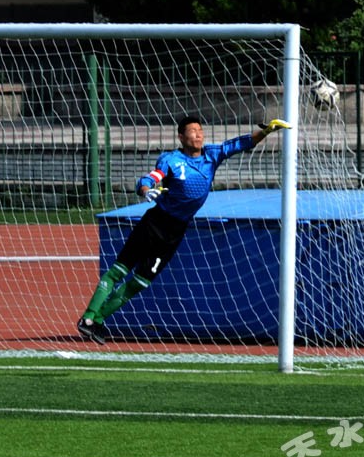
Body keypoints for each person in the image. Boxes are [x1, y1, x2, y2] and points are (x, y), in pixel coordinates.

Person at [77, 115, 292, 344]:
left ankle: (97, 319)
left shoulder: (212, 155)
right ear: (181, 136)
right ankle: (88, 318)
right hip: (155, 223)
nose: (198, 134)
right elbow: (151, 177)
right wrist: (145, 190)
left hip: (175, 231)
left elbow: (242, 143)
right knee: (119, 270)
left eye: (200, 130)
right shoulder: (171, 159)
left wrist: (267, 130)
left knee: (139, 282)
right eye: (192, 131)